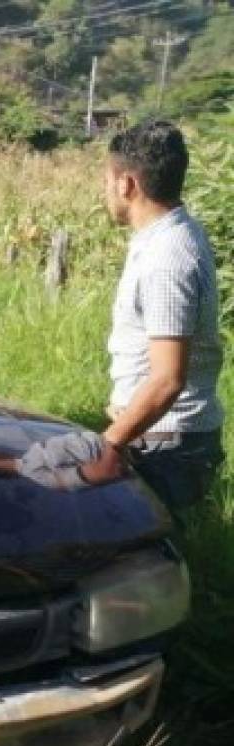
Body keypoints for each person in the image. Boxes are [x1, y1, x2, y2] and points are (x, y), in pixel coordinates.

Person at [76, 120, 224, 514]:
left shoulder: (167, 258)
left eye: (106, 181)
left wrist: (108, 443)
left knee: (145, 566)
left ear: (127, 184)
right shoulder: (170, 236)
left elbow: (167, 379)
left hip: (166, 447)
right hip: (157, 435)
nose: (104, 191)